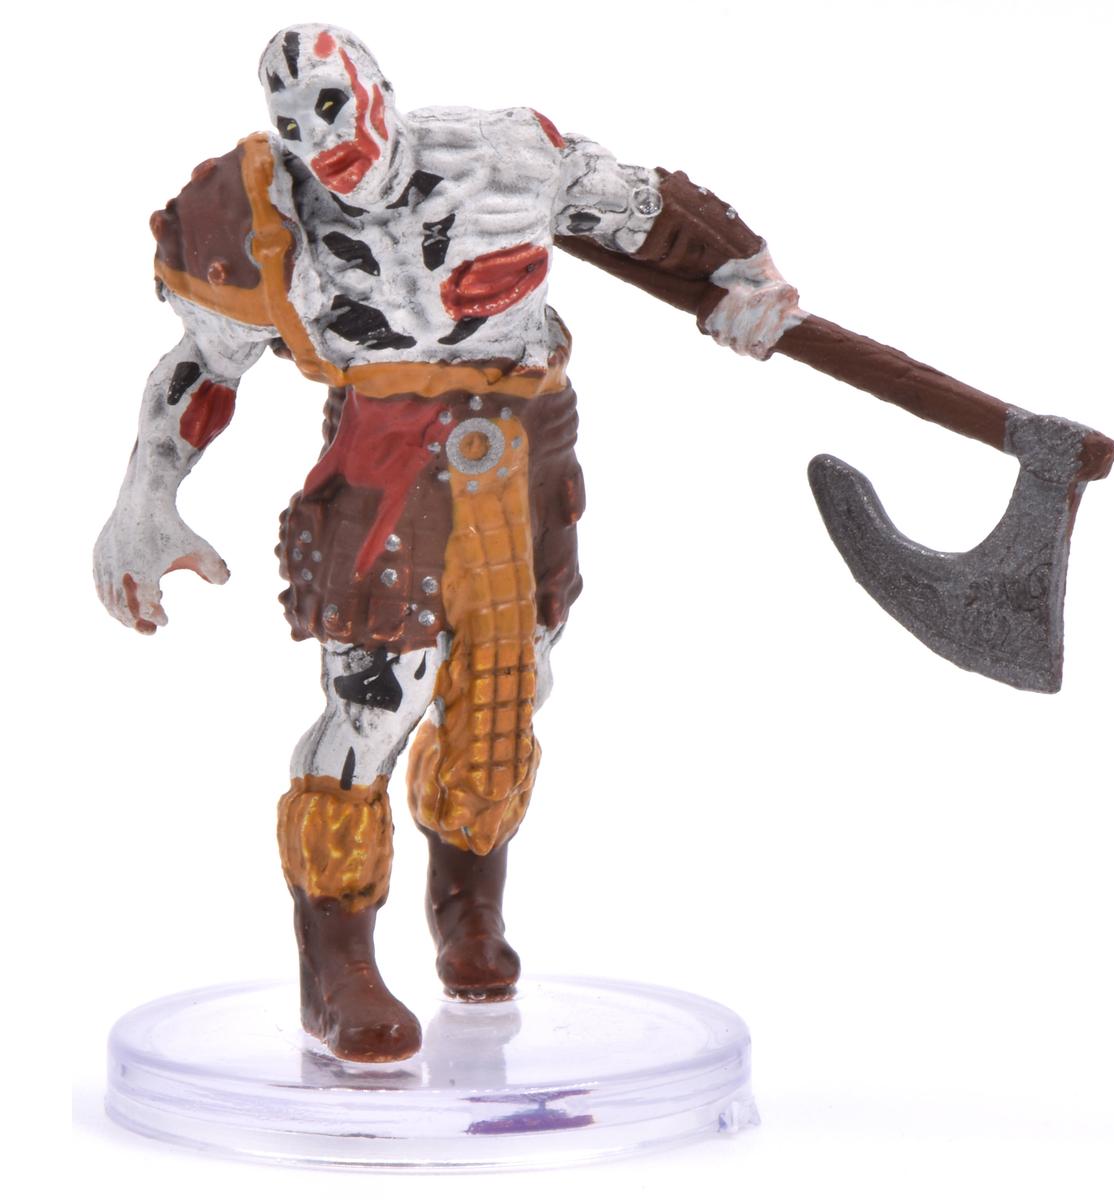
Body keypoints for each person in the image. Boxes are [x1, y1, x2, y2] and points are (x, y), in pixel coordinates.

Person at [93, 23, 803, 1062]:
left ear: (380, 88)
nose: (319, 139)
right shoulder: (260, 217)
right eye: (291, 121)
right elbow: (202, 362)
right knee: (378, 699)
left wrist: (752, 277)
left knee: (513, 686)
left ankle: (468, 907)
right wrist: (144, 497)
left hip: (527, 439)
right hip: (386, 460)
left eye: (332, 104)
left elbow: (648, 207)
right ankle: (336, 965)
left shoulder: (505, 160)